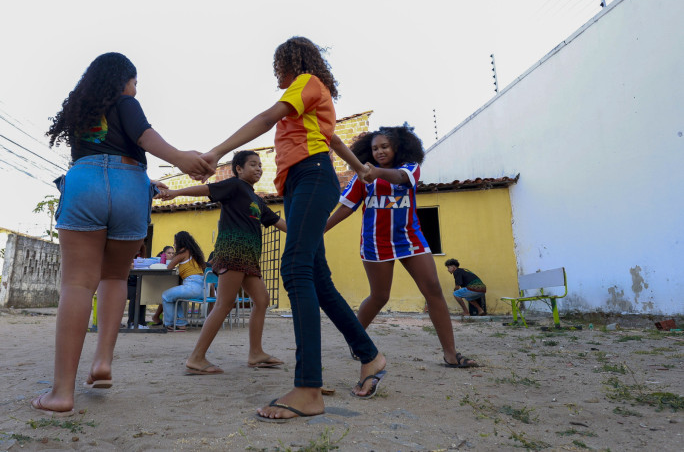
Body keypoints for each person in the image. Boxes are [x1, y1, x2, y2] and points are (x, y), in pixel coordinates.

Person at [200, 36, 387, 421]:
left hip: (312, 178)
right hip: (308, 181)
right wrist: (359, 167)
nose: (278, 78)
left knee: (295, 269)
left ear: (291, 62)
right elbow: (332, 136)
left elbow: (268, 117)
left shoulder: (305, 82)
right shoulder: (313, 100)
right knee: (318, 279)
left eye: (278, 69)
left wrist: (216, 153)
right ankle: (371, 357)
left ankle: (308, 388)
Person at [31, 52, 213, 417]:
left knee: (78, 285)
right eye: (134, 81)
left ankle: (61, 392)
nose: (135, 87)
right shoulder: (127, 102)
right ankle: (102, 363)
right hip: (131, 185)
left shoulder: (80, 111)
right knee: (115, 276)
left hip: (84, 181)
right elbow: (144, 137)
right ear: (123, 80)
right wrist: (179, 157)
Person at [325, 124, 480, 370]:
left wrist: (375, 172)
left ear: (398, 147)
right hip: (376, 242)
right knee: (380, 296)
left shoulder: (409, 168)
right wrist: (319, 230)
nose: (379, 152)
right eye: (374, 148)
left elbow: (401, 178)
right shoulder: (361, 176)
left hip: (411, 239)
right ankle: (356, 341)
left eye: (384, 147)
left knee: (433, 290)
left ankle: (450, 354)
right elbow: (346, 207)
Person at [158, 150, 287, 374]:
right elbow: (206, 189)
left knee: (262, 300)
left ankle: (256, 353)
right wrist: (176, 192)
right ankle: (196, 358)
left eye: (260, 165)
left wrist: (310, 233)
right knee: (224, 304)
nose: (258, 169)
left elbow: (278, 222)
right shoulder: (235, 186)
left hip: (249, 257)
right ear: (239, 169)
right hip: (233, 251)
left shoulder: (256, 200)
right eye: (253, 164)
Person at [160, 231, 207, 331]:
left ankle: (170, 324)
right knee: (175, 298)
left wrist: (173, 257)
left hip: (192, 286)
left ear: (180, 242)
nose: (174, 245)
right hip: (203, 289)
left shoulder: (183, 252)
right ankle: (181, 324)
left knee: (165, 295)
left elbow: (169, 266)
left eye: (175, 243)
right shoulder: (194, 253)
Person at [147, 245, 176, 325]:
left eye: (173, 253)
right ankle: (159, 317)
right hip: (156, 284)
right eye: (169, 253)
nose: (171, 255)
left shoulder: (174, 263)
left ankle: (158, 316)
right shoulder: (157, 262)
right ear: (163, 254)